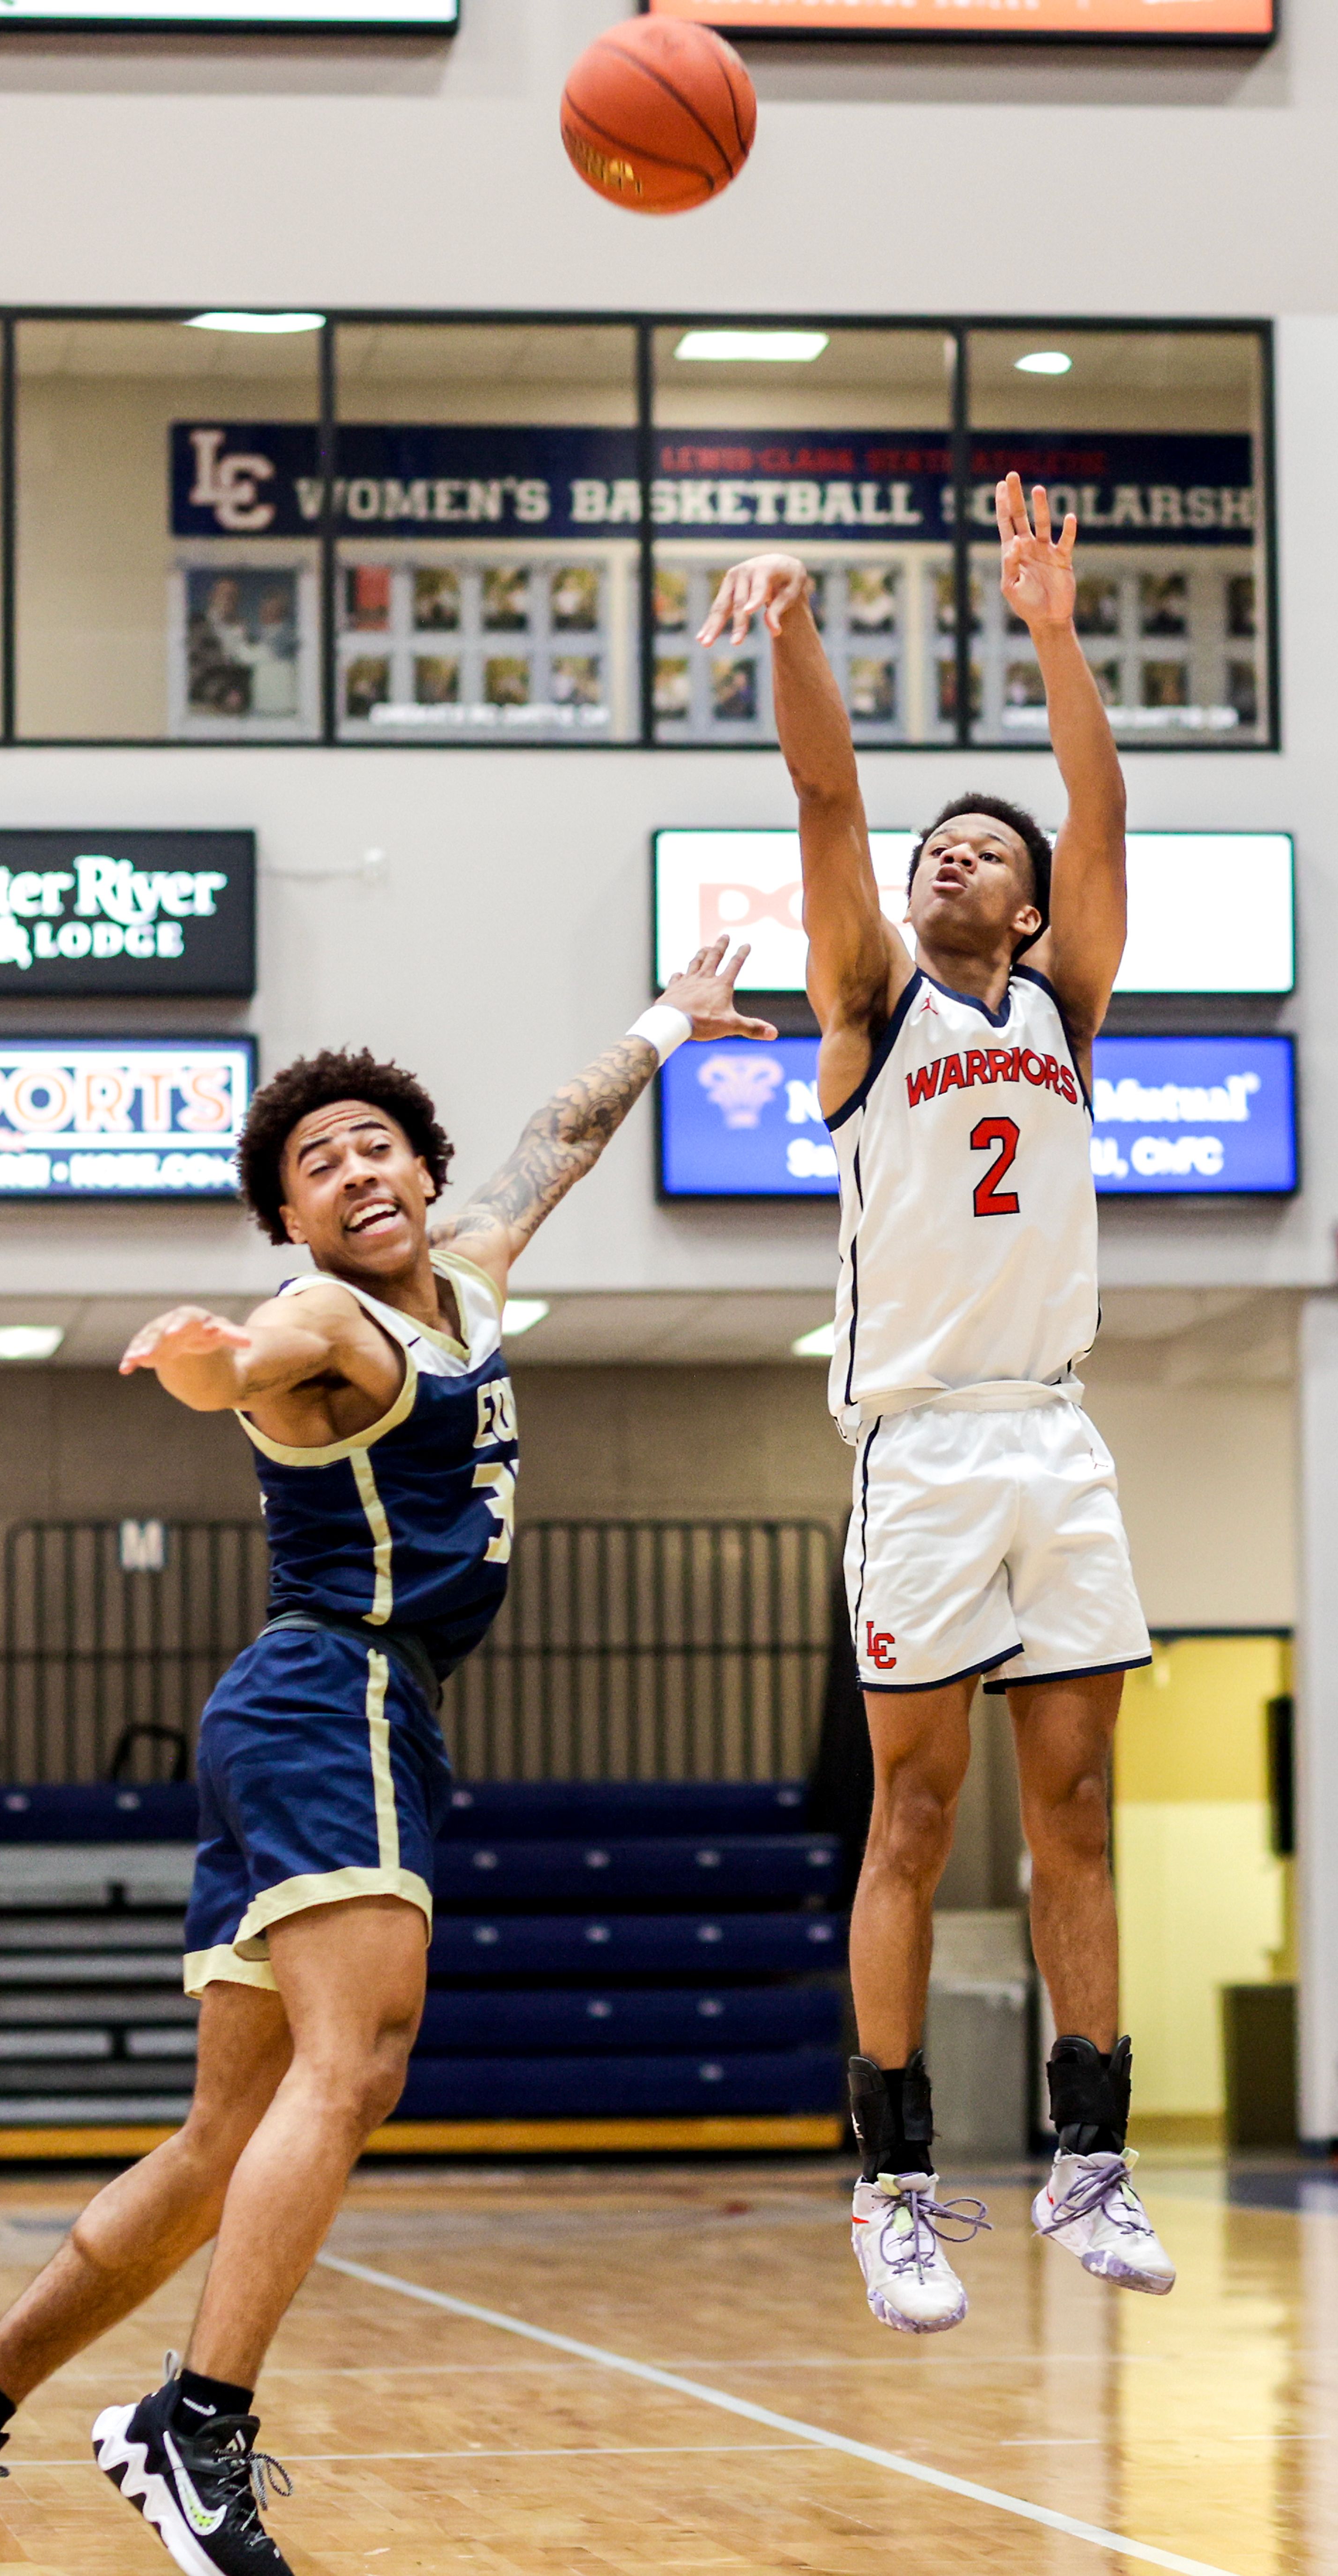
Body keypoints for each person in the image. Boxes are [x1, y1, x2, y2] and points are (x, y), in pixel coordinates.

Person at [0, 934, 777, 2576]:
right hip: (328, 1691)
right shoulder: (323, 1319)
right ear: (291, 1218)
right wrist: (203, 1355)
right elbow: (242, 1364)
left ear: (419, 1172)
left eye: (375, 1144)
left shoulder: (472, 1270)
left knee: (229, 2135)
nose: (355, 1167)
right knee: (359, 2065)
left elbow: (555, 1133)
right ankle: (190, 2425)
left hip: (342, 1710)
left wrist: (668, 1024)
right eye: (314, 1161)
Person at [698, 475, 1176, 2338]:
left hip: (1055, 1431)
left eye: (986, 846)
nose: (949, 857)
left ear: (1038, 902)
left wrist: (1054, 627)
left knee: (1077, 1813)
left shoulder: (1064, 1009)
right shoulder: (869, 1011)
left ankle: (1090, 2155)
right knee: (914, 1816)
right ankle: (893, 2179)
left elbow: (1105, 809)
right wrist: (802, 627)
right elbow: (829, 798)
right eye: (937, 850)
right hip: (919, 1443)